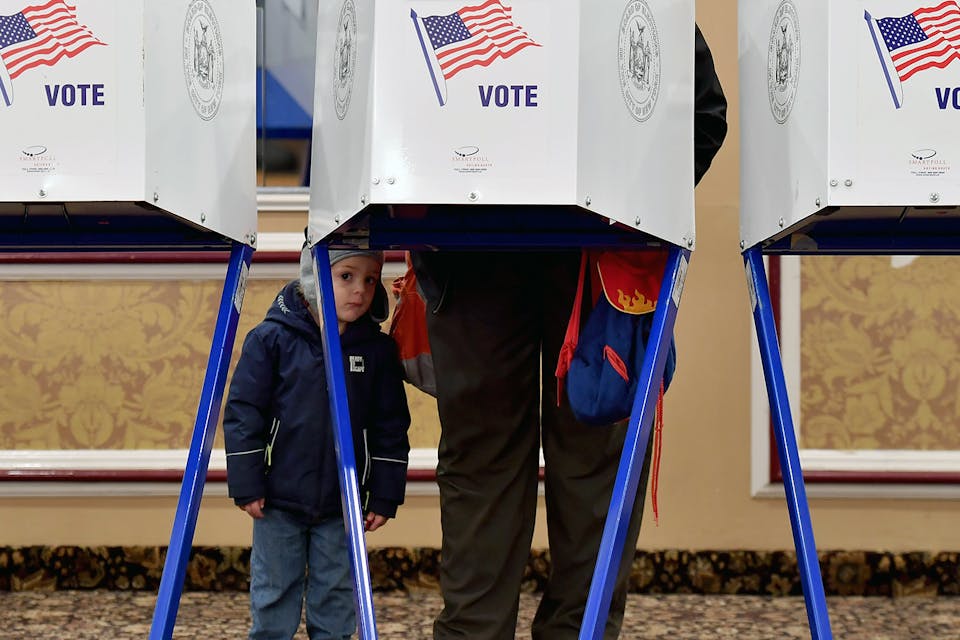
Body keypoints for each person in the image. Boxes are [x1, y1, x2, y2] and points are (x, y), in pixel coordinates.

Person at [411, 26, 728, 640]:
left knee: (572, 464)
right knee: (540, 467)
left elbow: (699, 110)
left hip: (579, 261)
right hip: (484, 251)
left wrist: (634, 206)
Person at [223, 247, 411, 640]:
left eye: (370, 279)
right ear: (313, 277)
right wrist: (247, 483)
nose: (359, 290)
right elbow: (244, 413)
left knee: (337, 597)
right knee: (274, 593)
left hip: (342, 505)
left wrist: (384, 495)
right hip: (277, 500)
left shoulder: (377, 352)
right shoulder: (271, 339)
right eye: (346, 277)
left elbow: (390, 427)